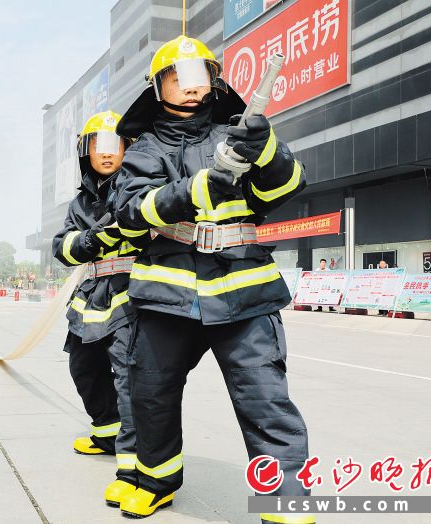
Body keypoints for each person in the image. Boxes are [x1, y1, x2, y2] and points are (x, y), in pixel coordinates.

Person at [113, 35, 313, 521]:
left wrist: (265, 150)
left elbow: (289, 186)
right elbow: (129, 211)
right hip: (167, 294)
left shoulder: (240, 133)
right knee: (151, 393)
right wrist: (192, 189)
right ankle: (156, 480)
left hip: (243, 290)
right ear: (157, 87)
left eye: (197, 77)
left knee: (264, 396)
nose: (188, 88)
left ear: (214, 81)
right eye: (176, 79)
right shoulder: (143, 151)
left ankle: (285, 496)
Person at [52, 110, 144, 507]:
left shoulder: (138, 184)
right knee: (83, 366)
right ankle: (106, 431)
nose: (107, 153)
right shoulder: (80, 201)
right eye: (98, 145)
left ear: (127, 148)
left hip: (132, 291)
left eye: (115, 144)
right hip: (91, 293)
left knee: (129, 376)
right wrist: (89, 240)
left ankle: (136, 466)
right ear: (85, 151)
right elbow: (61, 246)